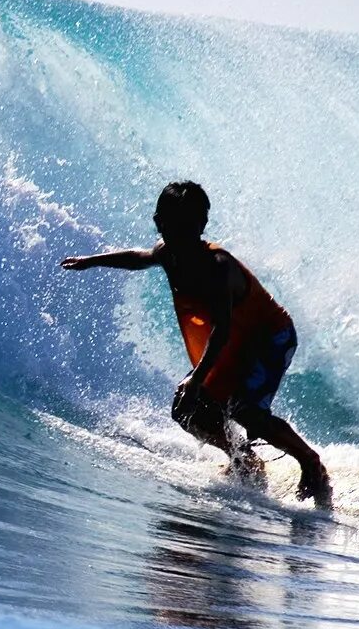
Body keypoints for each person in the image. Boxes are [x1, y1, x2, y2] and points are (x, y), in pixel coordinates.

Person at [60, 180, 331, 502]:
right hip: (237, 339)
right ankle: (245, 460)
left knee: (245, 411)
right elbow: (140, 257)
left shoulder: (218, 267)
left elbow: (223, 330)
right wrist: (93, 260)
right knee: (186, 408)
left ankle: (311, 463)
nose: (180, 236)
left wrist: (197, 378)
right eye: (171, 226)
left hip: (268, 336)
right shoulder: (167, 252)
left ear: (202, 225)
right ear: (158, 222)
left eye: (189, 227)